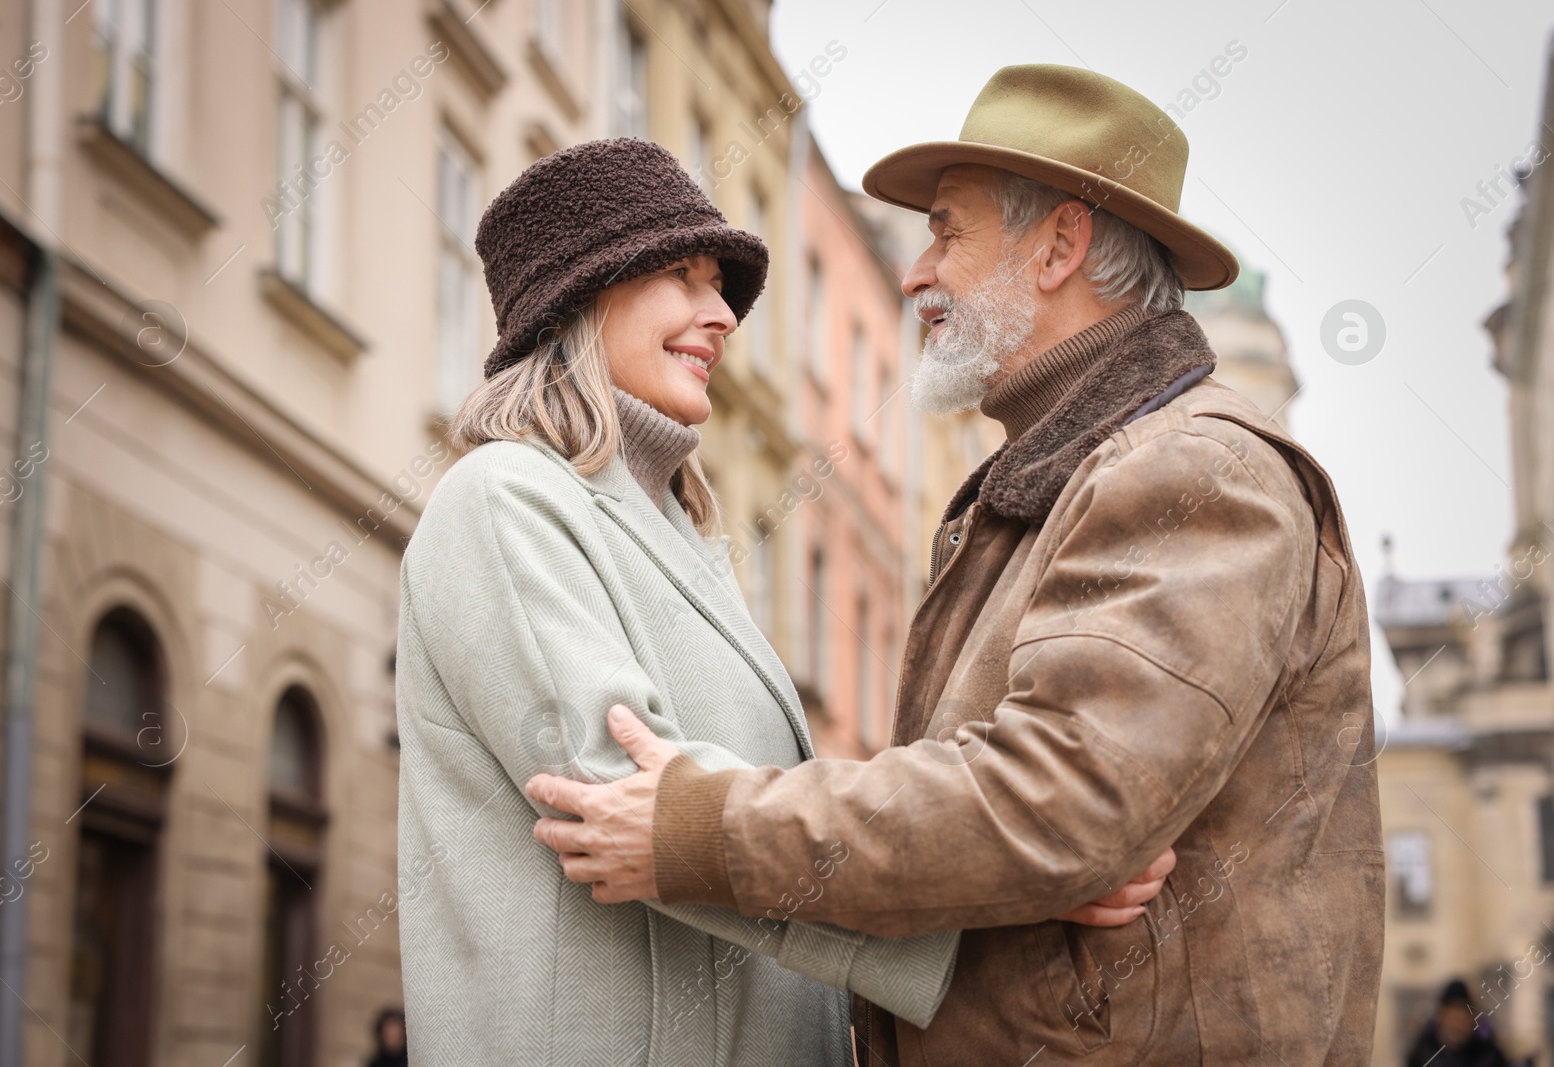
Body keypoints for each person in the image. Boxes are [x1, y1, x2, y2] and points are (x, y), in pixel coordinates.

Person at [528, 66, 1386, 1065]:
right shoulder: (1069, 473)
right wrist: (1035, 856)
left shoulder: (1191, 465)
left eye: (947, 232)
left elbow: (1056, 799)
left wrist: (701, 828)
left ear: (1060, 245)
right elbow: (1051, 818)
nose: (914, 272)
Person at [395, 138, 1168, 1066]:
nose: (721, 313)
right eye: (682, 275)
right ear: (578, 298)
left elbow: (729, 811)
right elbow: (625, 801)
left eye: (718, 283)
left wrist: (997, 862)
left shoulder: (674, 529)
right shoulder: (502, 500)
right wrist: (997, 895)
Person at [1406, 980, 1512, 1067]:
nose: (1457, 1025)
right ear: (1440, 1016)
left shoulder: (1488, 1054)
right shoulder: (1422, 1051)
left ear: (1471, 1019)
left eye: (1462, 1018)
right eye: (1452, 1017)